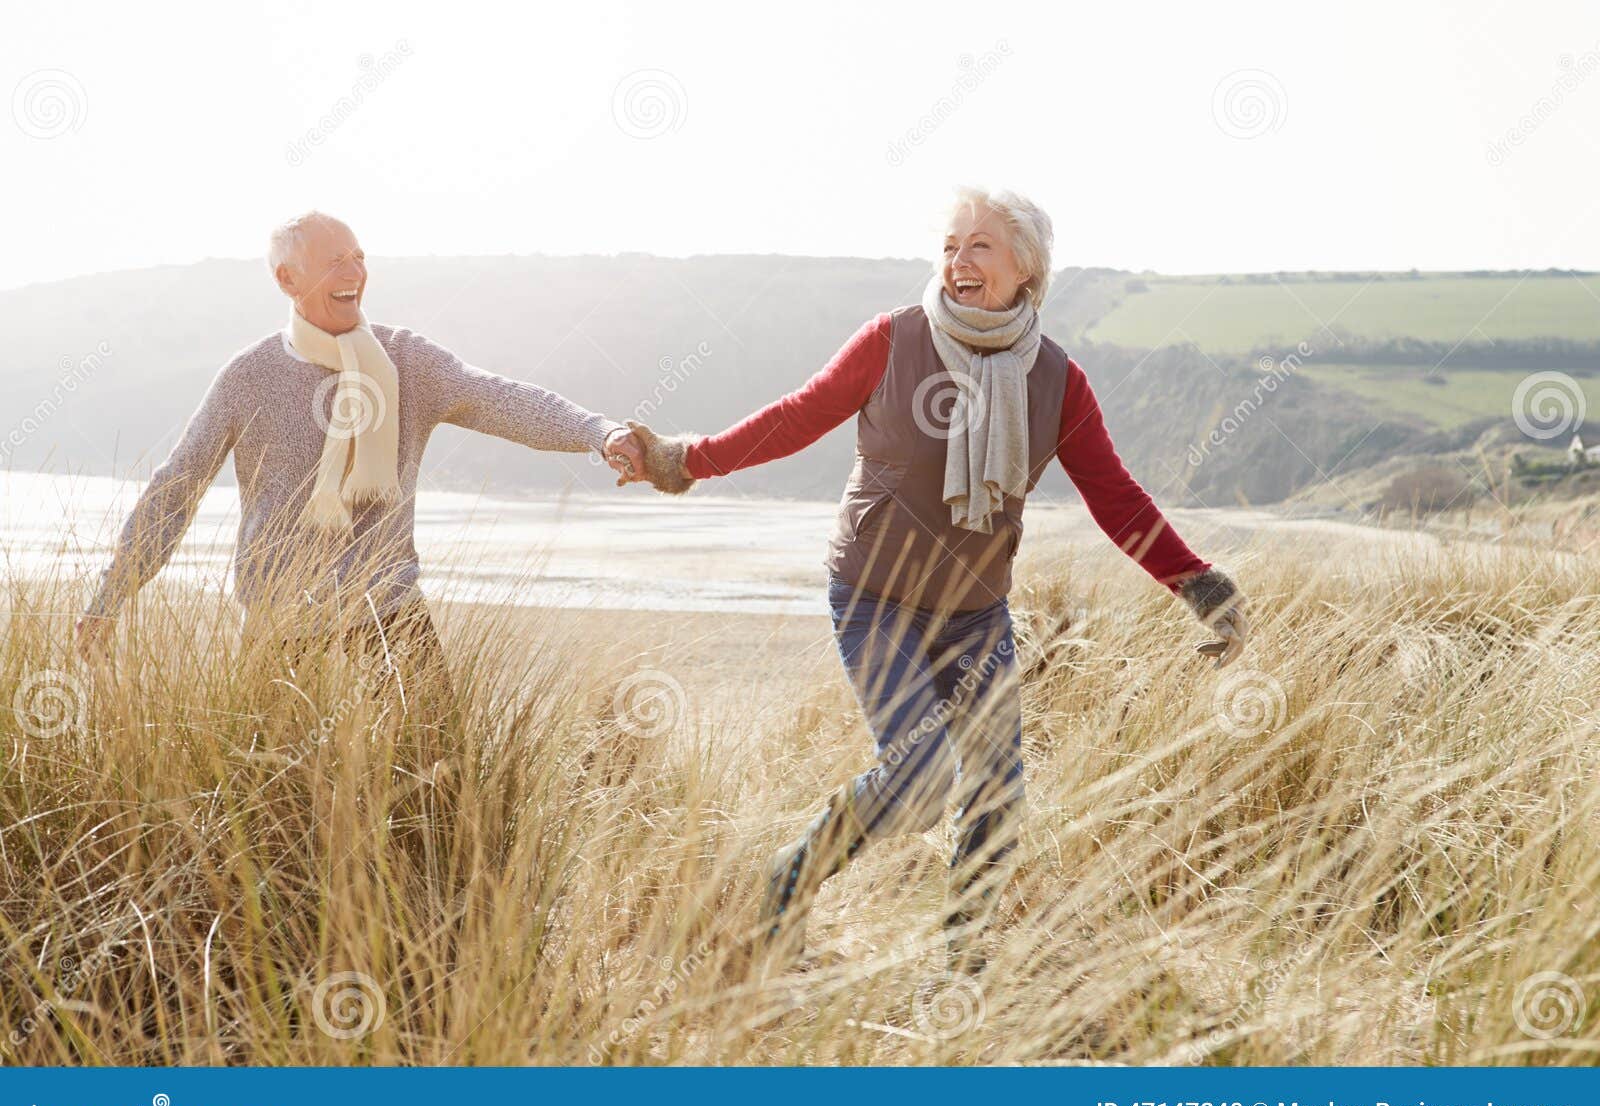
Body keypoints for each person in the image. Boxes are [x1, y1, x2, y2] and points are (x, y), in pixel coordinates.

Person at [623, 188, 1250, 973]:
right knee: (921, 778)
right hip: (874, 597)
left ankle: (960, 970)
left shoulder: (1057, 381)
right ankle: (790, 879)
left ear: (1027, 269)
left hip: (973, 613)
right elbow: (798, 416)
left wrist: (1200, 585)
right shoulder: (892, 341)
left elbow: (1116, 499)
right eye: (952, 245)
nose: (959, 261)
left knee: (997, 792)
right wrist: (686, 459)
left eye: (981, 247)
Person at [75, 210, 643, 774]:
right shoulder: (248, 377)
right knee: (273, 803)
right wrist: (112, 594)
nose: (354, 271)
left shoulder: (406, 361)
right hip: (281, 630)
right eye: (333, 261)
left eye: (359, 257)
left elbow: (498, 399)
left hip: (391, 620)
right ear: (287, 280)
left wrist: (600, 432)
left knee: (439, 783)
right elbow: (178, 485)